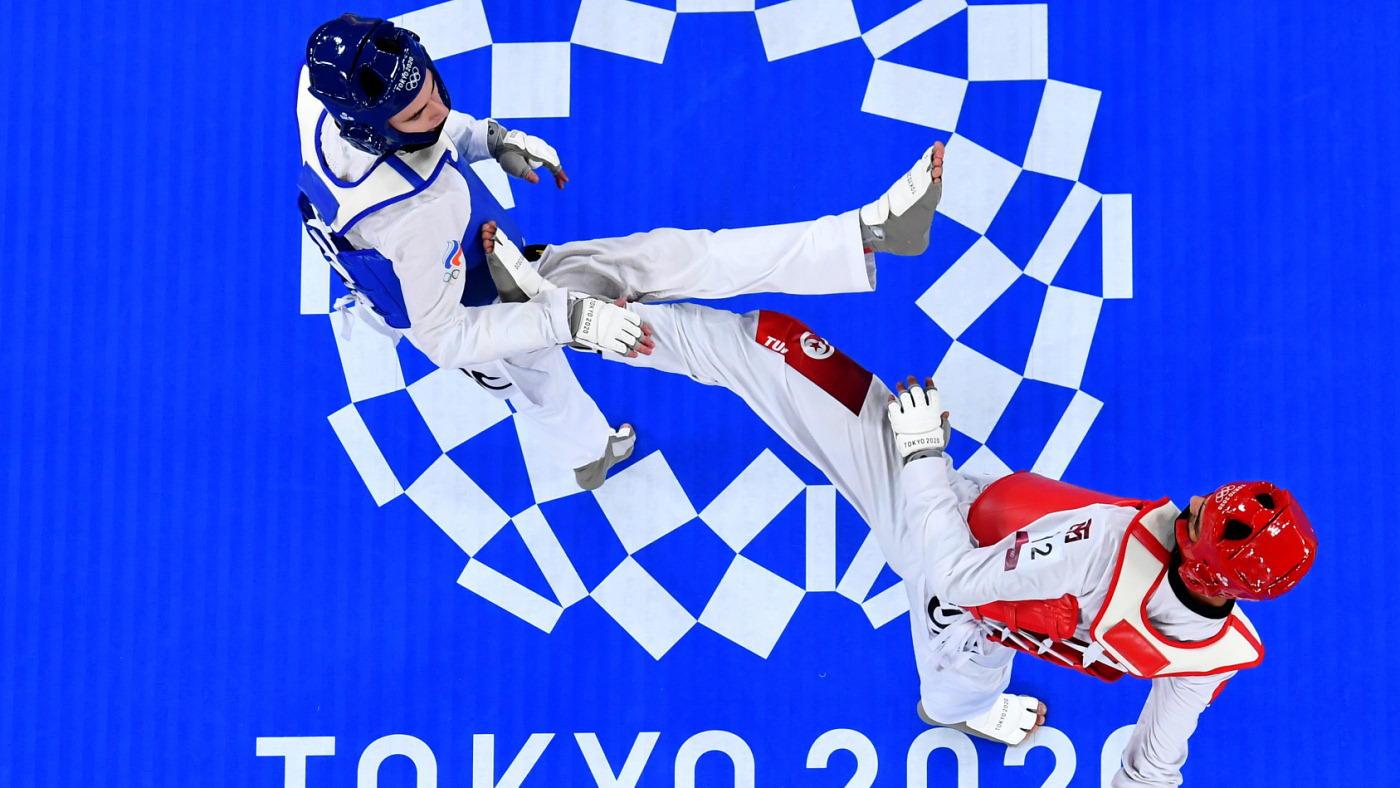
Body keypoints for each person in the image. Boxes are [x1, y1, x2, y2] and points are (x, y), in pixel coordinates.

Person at [474, 246, 1318, 784]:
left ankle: (563, 317)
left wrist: (919, 453)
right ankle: (968, 704)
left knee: (766, 345)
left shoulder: (1102, 548)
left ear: (1204, 564)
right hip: (1007, 590)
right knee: (965, 675)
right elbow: (1153, 769)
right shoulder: (1212, 652)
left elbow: (952, 575)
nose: (1190, 504)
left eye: (1198, 520)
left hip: (949, 548)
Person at [296, 13, 945, 490]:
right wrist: (569, 319)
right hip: (478, 311)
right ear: (372, 132)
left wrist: (488, 139)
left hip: (495, 258)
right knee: (554, 381)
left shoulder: (323, 89)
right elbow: (444, 337)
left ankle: (863, 234)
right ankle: (590, 458)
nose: (437, 107)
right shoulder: (416, 214)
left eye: (433, 87)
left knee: (668, 258)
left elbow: (431, 125)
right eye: (416, 114)